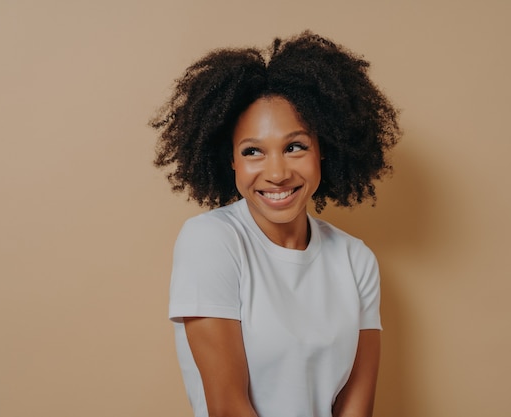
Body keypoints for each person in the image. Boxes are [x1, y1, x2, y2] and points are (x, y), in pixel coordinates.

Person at [150, 31, 401, 417]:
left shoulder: (355, 259)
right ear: (230, 159)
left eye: (295, 146)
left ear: (323, 150)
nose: (277, 172)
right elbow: (228, 408)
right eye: (253, 151)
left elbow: (355, 409)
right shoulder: (211, 242)